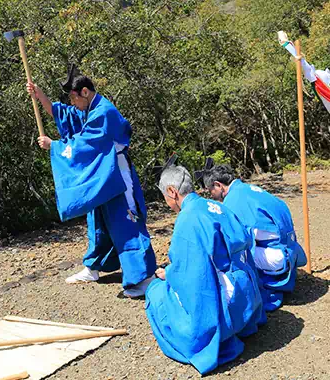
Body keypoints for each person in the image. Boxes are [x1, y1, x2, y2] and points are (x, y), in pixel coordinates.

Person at [27, 65, 156, 298]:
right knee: (97, 220)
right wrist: (39, 95)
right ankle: (94, 267)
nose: (73, 103)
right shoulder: (89, 108)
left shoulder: (103, 112)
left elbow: (85, 144)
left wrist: (54, 146)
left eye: (74, 98)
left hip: (116, 172)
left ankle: (144, 276)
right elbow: (65, 114)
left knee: (126, 220)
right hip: (102, 171)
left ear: (85, 92)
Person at [145, 165, 265, 375]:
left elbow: (193, 275)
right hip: (247, 291)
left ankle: (215, 336)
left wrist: (170, 274)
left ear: (172, 192)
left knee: (155, 292)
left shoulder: (188, 219)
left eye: (165, 195)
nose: (166, 201)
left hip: (224, 297)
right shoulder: (216, 205)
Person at [203, 165, 306, 311]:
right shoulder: (249, 189)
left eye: (210, 191)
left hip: (278, 256)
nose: (211, 195)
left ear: (218, 185)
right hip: (289, 248)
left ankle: (251, 297)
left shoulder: (233, 200)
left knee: (228, 257)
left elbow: (234, 240)